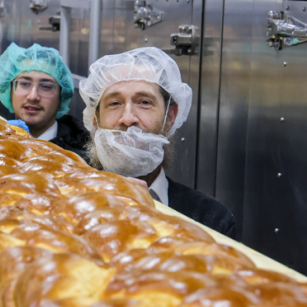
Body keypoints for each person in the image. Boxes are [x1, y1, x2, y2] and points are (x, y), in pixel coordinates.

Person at [80, 47, 237, 238]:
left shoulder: (210, 220)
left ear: (170, 116)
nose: (128, 119)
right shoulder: (64, 202)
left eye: (144, 102)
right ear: (94, 120)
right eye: (114, 103)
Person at [0, 43, 89, 160]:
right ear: (9, 91)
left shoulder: (81, 158)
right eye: (24, 83)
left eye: (46, 86)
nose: (33, 96)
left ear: (62, 95)